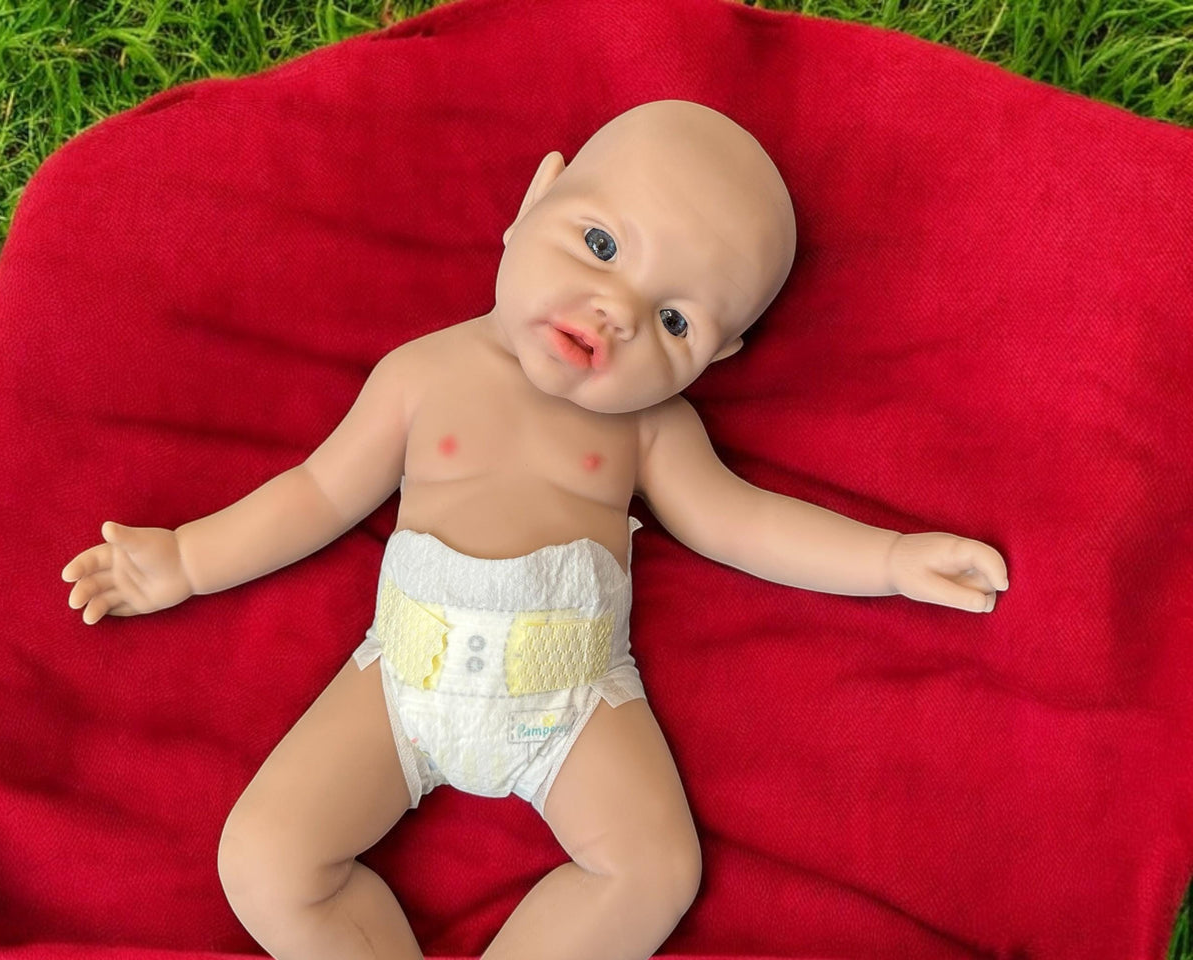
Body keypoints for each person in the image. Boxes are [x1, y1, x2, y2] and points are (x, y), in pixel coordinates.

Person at [60, 99, 1008, 960]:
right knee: (265, 858)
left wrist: (886, 559)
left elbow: (743, 523)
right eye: (599, 243)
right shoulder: (424, 373)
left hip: (574, 697)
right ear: (533, 200)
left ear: (715, 358)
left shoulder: (652, 428)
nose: (618, 313)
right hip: (404, 676)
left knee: (651, 870)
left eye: (674, 319)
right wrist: (187, 558)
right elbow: (316, 493)